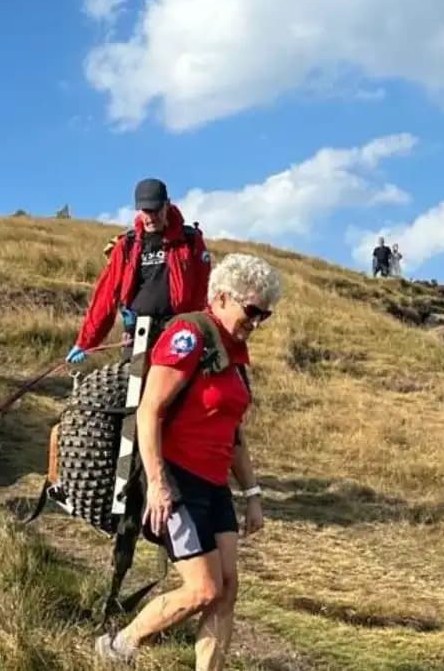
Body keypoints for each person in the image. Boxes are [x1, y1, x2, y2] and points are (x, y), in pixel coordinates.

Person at [94, 252, 280, 670]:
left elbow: (234, 435)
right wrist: (159, 484)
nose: (257, 322)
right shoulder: (190, 334)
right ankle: (119, 646)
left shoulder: (234, 355)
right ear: (222, 297)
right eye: (252, 311)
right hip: (179, 479)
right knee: (203, 589)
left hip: (215, 487)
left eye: (265, 315)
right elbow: (150, 410)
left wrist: (251, 495)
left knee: (227, 589)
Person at [66, 178, 210, 364]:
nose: (150, 218)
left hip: (179, 332)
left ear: (167, 204)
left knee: (178, 389)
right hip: (137, 334)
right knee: (131, 388)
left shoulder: (190, 241)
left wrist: (201, 330)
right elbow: (107, 295)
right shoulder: (127, 245)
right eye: (145, 211)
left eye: (156, 210)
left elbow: (204, 290)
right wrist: (86, 342)